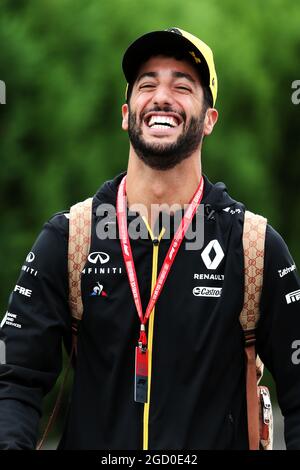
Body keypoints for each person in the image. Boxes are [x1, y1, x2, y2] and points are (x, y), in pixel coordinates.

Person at [0, 27, 300, 451]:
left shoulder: (254, 247)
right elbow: (14, 379)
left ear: (209, 120)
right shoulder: (70, 238)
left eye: (182, 85)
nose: (162, 97)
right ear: (126, 112)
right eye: (147, 84)